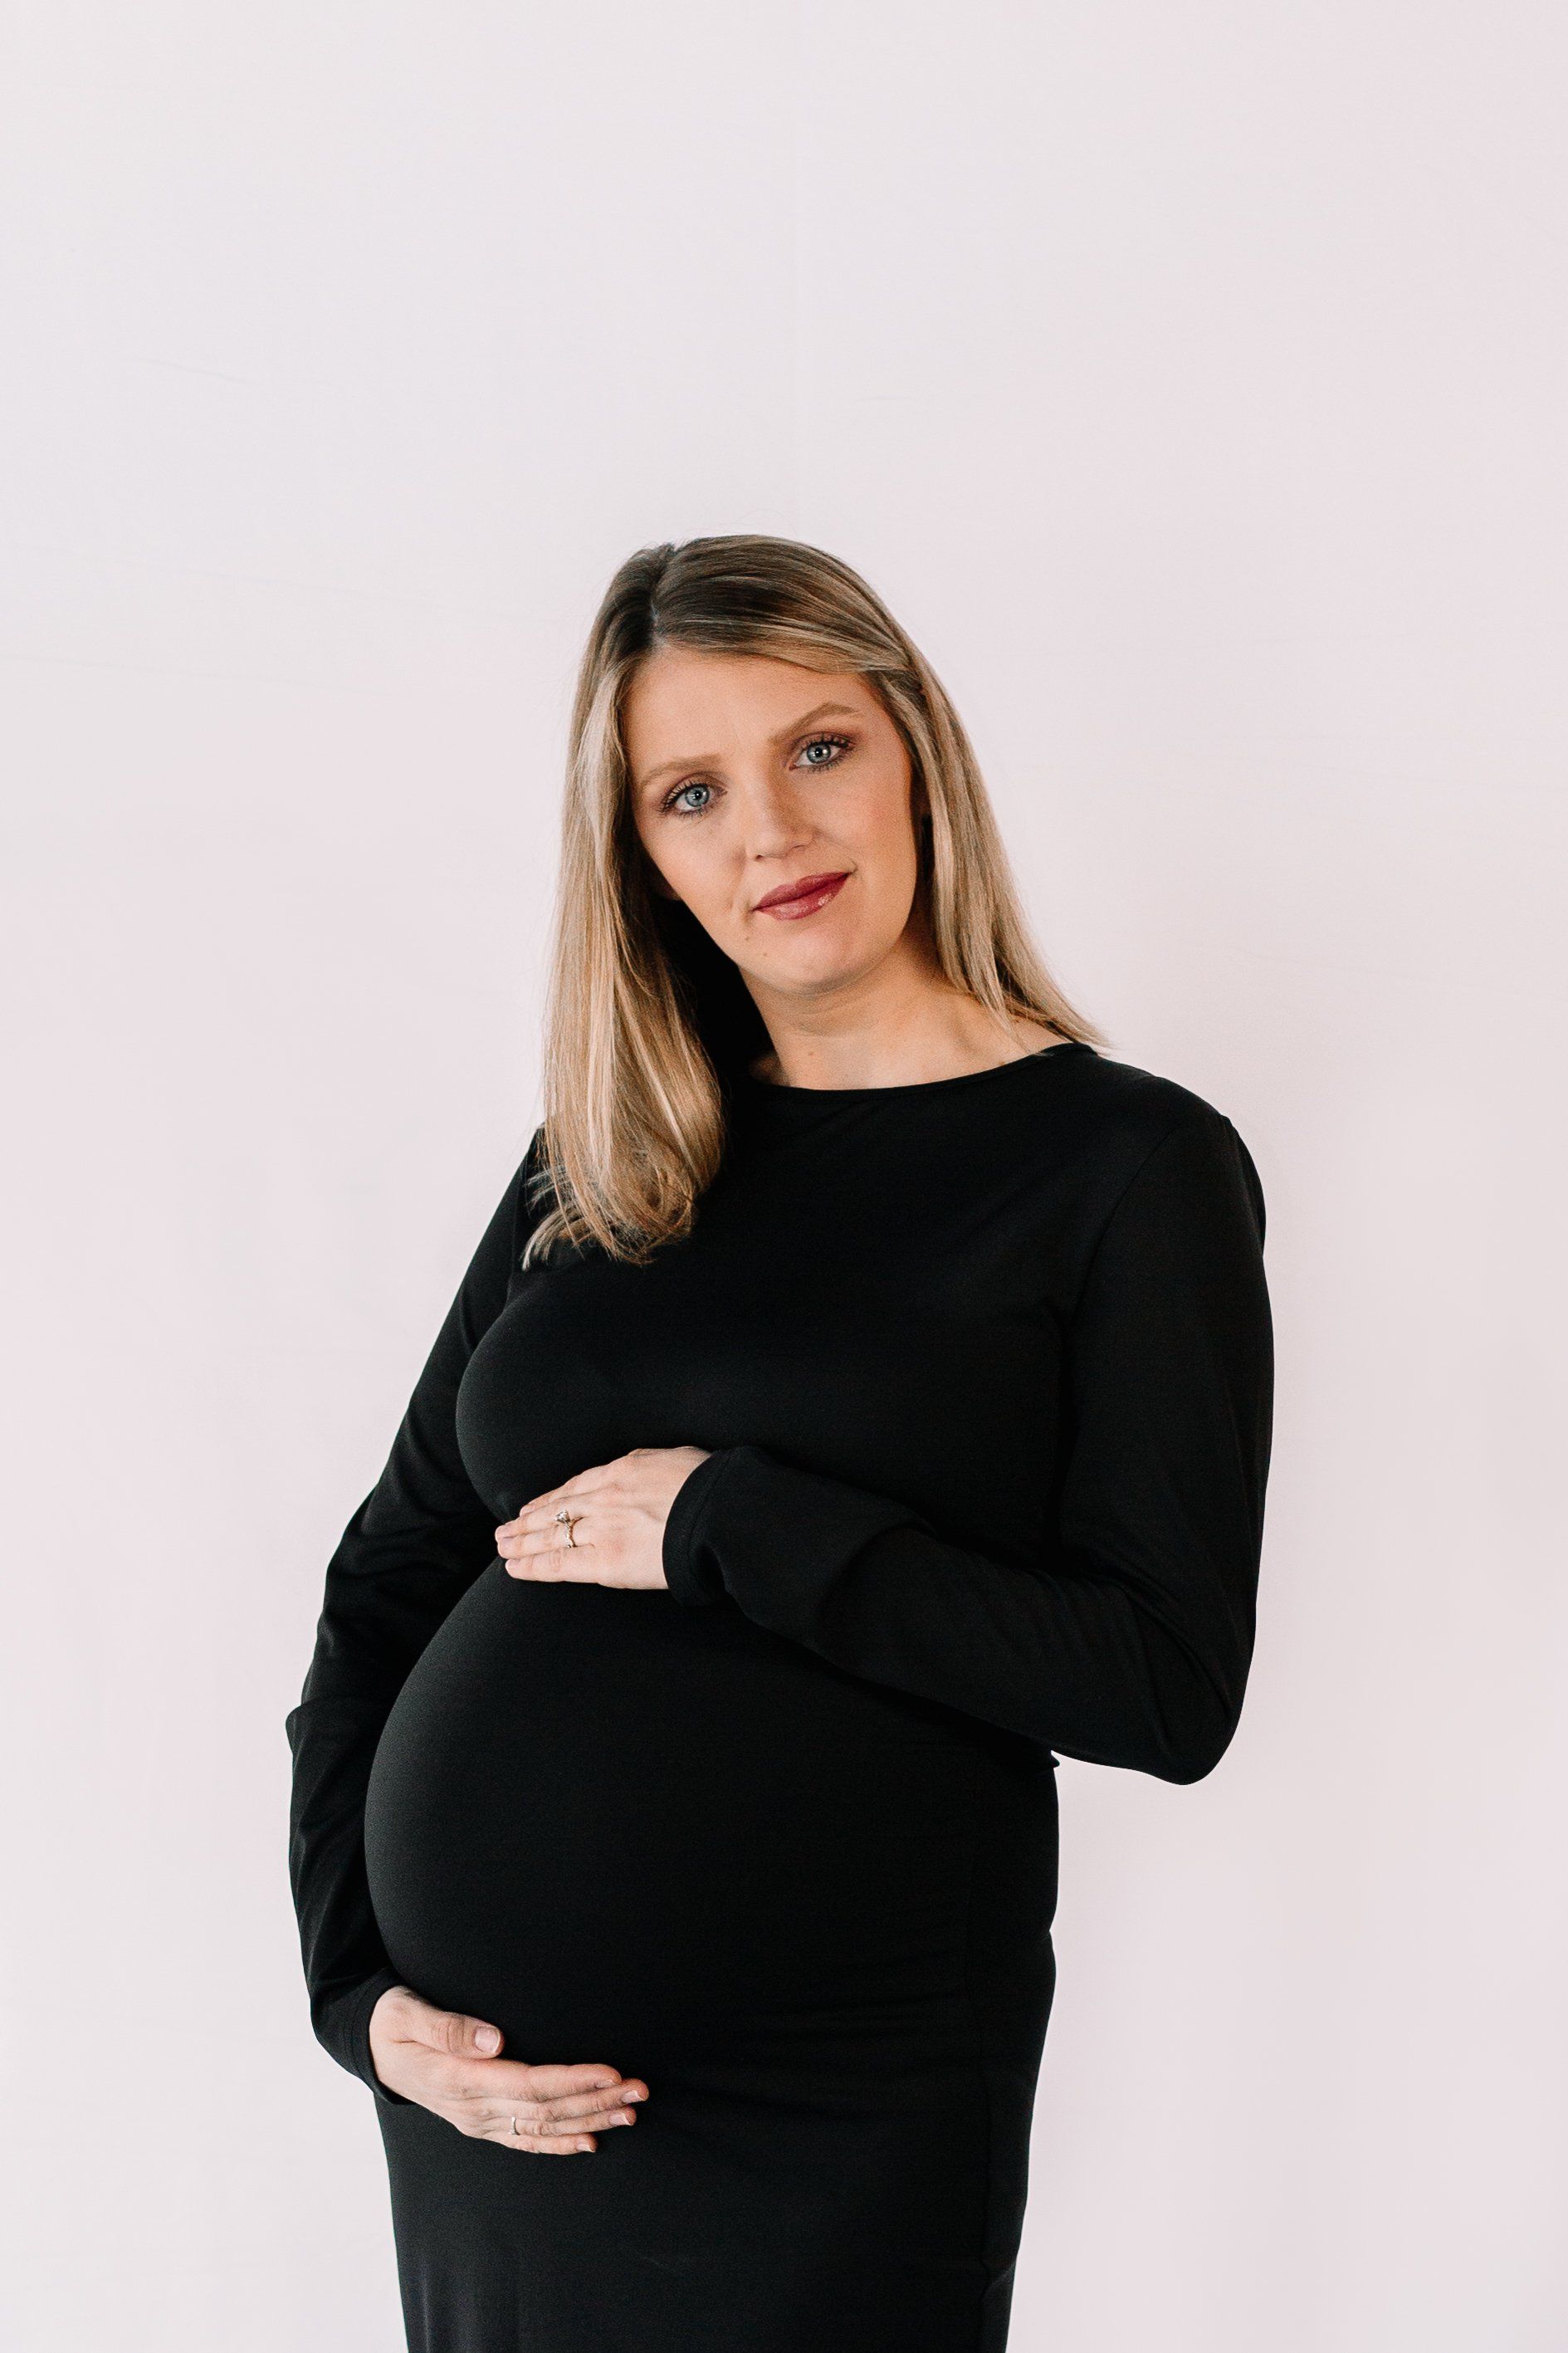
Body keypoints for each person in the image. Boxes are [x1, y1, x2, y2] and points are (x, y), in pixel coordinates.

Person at [286, 532, 1275, 2353]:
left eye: (818, 747)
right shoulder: (599, 1165)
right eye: (691, 790)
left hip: (839, 2101)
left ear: (914, 749)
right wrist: (357, 1987)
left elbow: (1162, 1682)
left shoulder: (1126, 1169)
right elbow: (391, 1576)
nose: (769, 831)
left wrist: (740, 1523)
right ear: (640, 855)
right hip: (502, 2116)